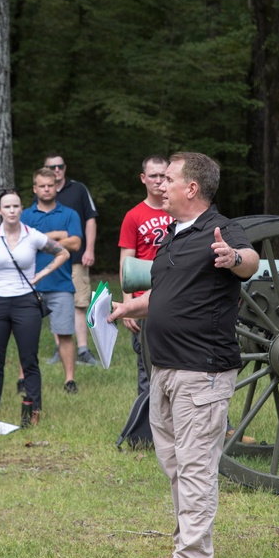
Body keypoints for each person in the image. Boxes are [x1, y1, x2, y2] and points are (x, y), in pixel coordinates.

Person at [108, 152, 259, 558]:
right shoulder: (173, 235)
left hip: (202, 369)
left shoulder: (221, 229)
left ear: (191, 188)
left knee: (195, 464)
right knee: (175, 462)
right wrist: (129, 307)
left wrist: (233, 258)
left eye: (169, 179)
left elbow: (250, 261)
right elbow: (164, 294)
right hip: (166, 367)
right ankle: (184, 548)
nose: (161, 185)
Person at [0, 188, 70, 426]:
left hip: (26, 302)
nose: (12, 210)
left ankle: (33, 411)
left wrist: (41, 274)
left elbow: (62, 252)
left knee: (29, 359)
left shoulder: (32, 235)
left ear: (21, 209)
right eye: (7, 207)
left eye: (16, 206)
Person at [21, 168, 82, 394]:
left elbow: (76, 244)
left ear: (56, 186)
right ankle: (22, 378)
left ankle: (69, 380)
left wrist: (40, 238)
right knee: (25, 335)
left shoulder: (70, 214)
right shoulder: (25, 216)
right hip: (29, 285)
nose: (47, 189)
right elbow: (21, 241)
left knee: (65, 333)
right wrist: (58, 236)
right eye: (42, 186)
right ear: (35, 189)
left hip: (61, 284)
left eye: (50, 185)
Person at [119, 155, 172, 396]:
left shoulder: (180, 211)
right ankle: (146, 426)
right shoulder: (134, 216)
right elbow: (126, 262)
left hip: (177, 294)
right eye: (153, 176)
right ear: (143, 178)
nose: (159, 181)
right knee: (146, 366)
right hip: (144, 298)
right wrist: (128, 302)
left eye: (164, 175)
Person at [43, 153, 100, 366]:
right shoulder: (42, 192)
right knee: (54, 303)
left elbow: (90, 220)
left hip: (77, 257)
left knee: (79, 304)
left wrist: (90, 249)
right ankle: (61, 349)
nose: (56, 170)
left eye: (60, 166)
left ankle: (83, 350)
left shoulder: (78, 189)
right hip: (52, 259)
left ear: (65, 168)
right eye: (52, 167)